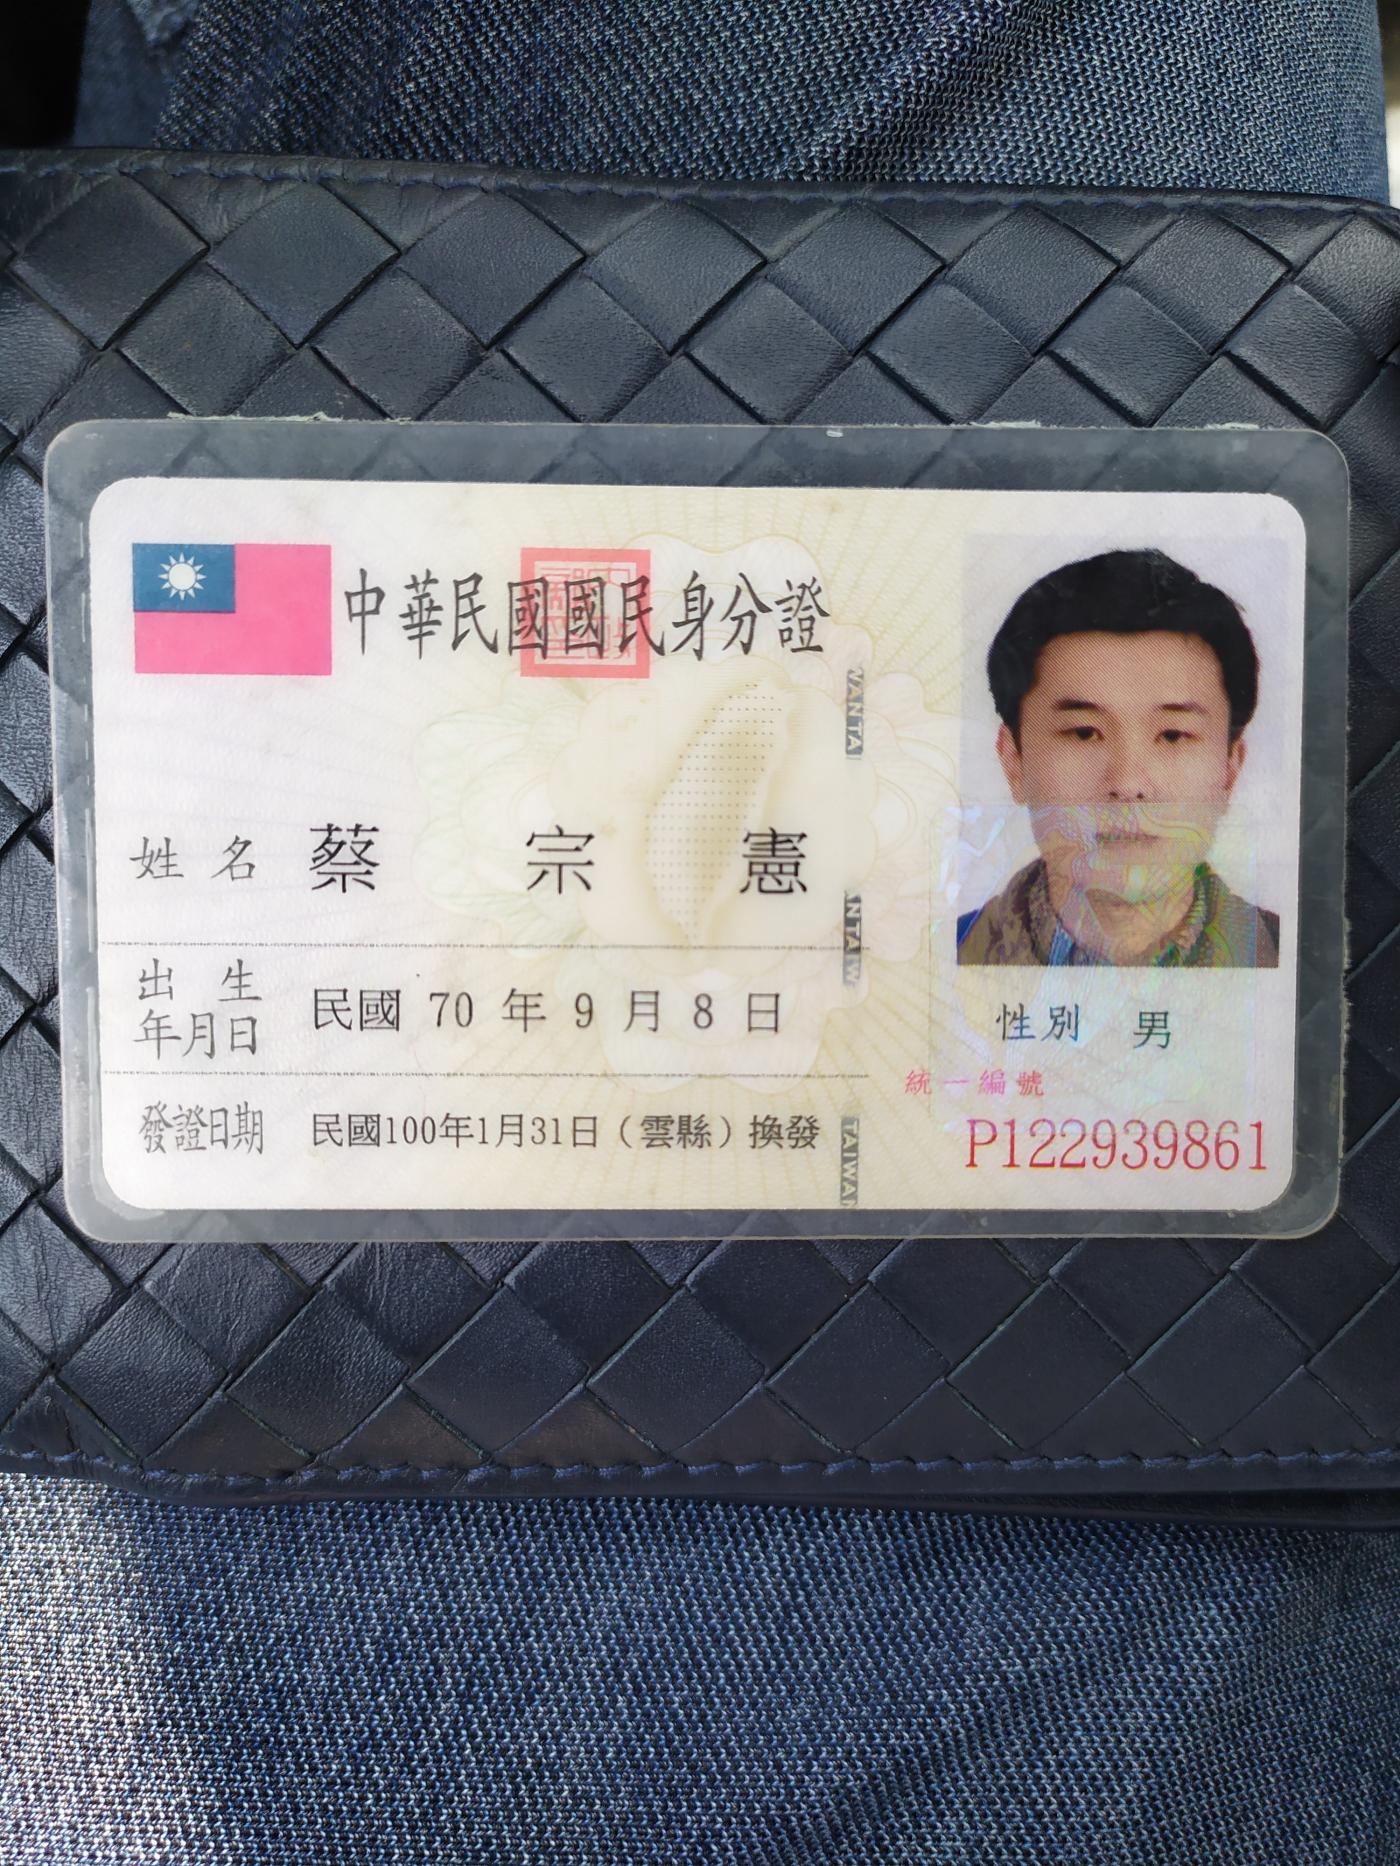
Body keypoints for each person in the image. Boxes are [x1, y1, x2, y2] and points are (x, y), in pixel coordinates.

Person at [957, 547, 1280, 967]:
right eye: (1084, 733)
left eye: (1172, 735)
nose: (1128, 784)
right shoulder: (932, 963)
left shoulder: (1297, 960)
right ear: (1013, 761)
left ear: (1230, 770)